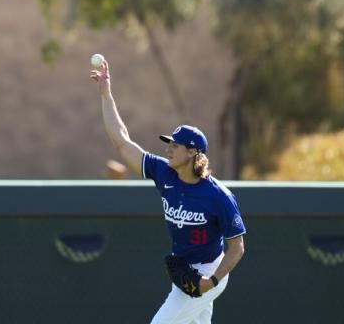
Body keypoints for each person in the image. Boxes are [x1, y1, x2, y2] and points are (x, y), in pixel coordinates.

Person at [90, 56, 246, 324]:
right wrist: (106, 93)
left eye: (176, 145)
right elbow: (121, 141)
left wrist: (213, 280)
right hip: (185, 272)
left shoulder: (218, 195)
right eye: (169, 144)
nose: (168, 148)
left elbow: (237, 247)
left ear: (193, 152)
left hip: (210, 271)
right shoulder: (163, 172)